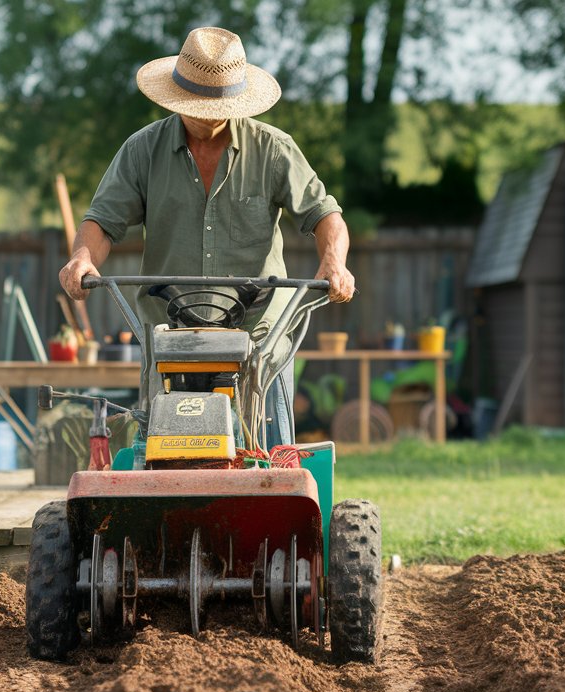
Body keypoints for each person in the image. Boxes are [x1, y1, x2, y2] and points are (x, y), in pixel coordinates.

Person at [60, 26, 354, 446]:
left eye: (215, 105)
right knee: (159, 438)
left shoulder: (273, 149)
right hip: (169, 320)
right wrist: (82, 259)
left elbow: (327, 215)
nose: (205, 114)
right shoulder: (142, 150)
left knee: (264, 417)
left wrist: (334, 263)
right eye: (194, 105)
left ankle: (274, 479)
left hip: (258, 321)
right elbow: (103, 221)